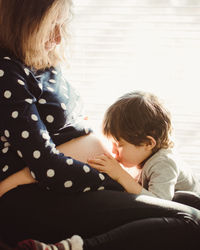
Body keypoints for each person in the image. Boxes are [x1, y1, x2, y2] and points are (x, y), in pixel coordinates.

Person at [0, 1, 200, 250]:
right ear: (23, 25)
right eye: (51, 26)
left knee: (192, 202)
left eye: (62, 24)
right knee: (190, 221)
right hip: (38, 198)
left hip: (72, 185)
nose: (59, 37)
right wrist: (115, 178)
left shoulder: (42, 60)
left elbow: (72, 129)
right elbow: (45, 165)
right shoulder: (7, 73)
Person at [88, 91, 200, 201]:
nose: (114, 151)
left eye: (119, 145)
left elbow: (160, 203)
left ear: (148, 143)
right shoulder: (148, 159)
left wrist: (120, 175)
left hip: (186, 215)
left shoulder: (164, 163)